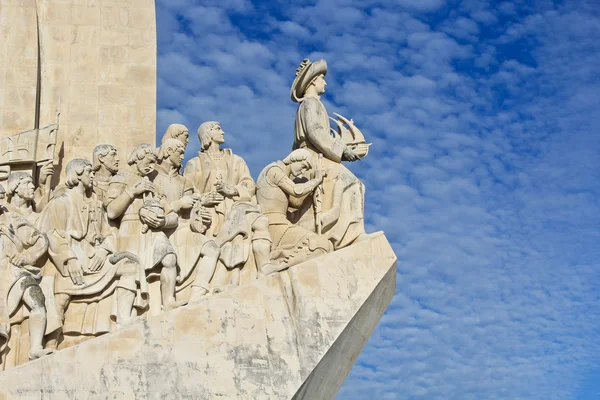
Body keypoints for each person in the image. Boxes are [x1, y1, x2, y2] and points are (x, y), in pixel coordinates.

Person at [37, 159, 147, 348]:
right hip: (71, 259)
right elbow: (51, 233)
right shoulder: (61, 202)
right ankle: (50, 343)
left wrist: (104, 250)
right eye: (89, 172)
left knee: (130, 267)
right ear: (78, 174)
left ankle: (124, 319)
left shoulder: (96, 204)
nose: (93, 175)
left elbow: (109, 233)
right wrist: (69, 259)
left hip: (96, 259)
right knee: (60, 294)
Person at [291, 59, 368, 249]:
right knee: (352, 182)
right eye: (322, 79)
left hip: (316, 154)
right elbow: (315, 132)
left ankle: (346, 233)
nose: (325, 83)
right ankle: (345, 237)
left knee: (354, 184)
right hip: (311, 156)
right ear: (313, 81)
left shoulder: (313, 104)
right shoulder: (310, 103)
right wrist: (343, 151)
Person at [105, 144, 184, 311]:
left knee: (170, 259)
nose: (151, 166)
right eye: (148, 161)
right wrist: (132, 192)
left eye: (154, 163)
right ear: (138, 158)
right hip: (130, 230)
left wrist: (162, 222)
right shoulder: (120, 178)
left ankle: (168, 300)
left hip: (154, 232)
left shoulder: (154, 186)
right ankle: (125, 314)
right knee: (132, 270)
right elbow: (112, 211)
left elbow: (173, 216)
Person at [154, 138, 220, 302]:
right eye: (180, 152)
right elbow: (151, 209)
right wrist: (178, 204)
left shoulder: (184, 181)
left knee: (212, 248)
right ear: (168, 151)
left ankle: (197, 293)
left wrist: (199, 212)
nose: (183, 156)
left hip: (183, 229)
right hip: (161, 231)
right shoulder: (152, 177)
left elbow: (194, 206)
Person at [0, 183, 54, 367]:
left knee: (37, 299)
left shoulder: (11, 219)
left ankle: (36, 348)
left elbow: (41, 239)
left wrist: (25, 257)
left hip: (13, 274)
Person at [256, 149, 332, 275]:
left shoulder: (283, 177)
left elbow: (296, 202)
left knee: (326, 246)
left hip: (282, 224)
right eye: (303, 166)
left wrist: (313, 186)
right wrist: (316, 180)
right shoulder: (274, 170)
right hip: (273, 225)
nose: (302, 172)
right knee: (320, 244)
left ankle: (280, 267)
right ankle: (278, 268)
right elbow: (296, 191)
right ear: (295, 159)